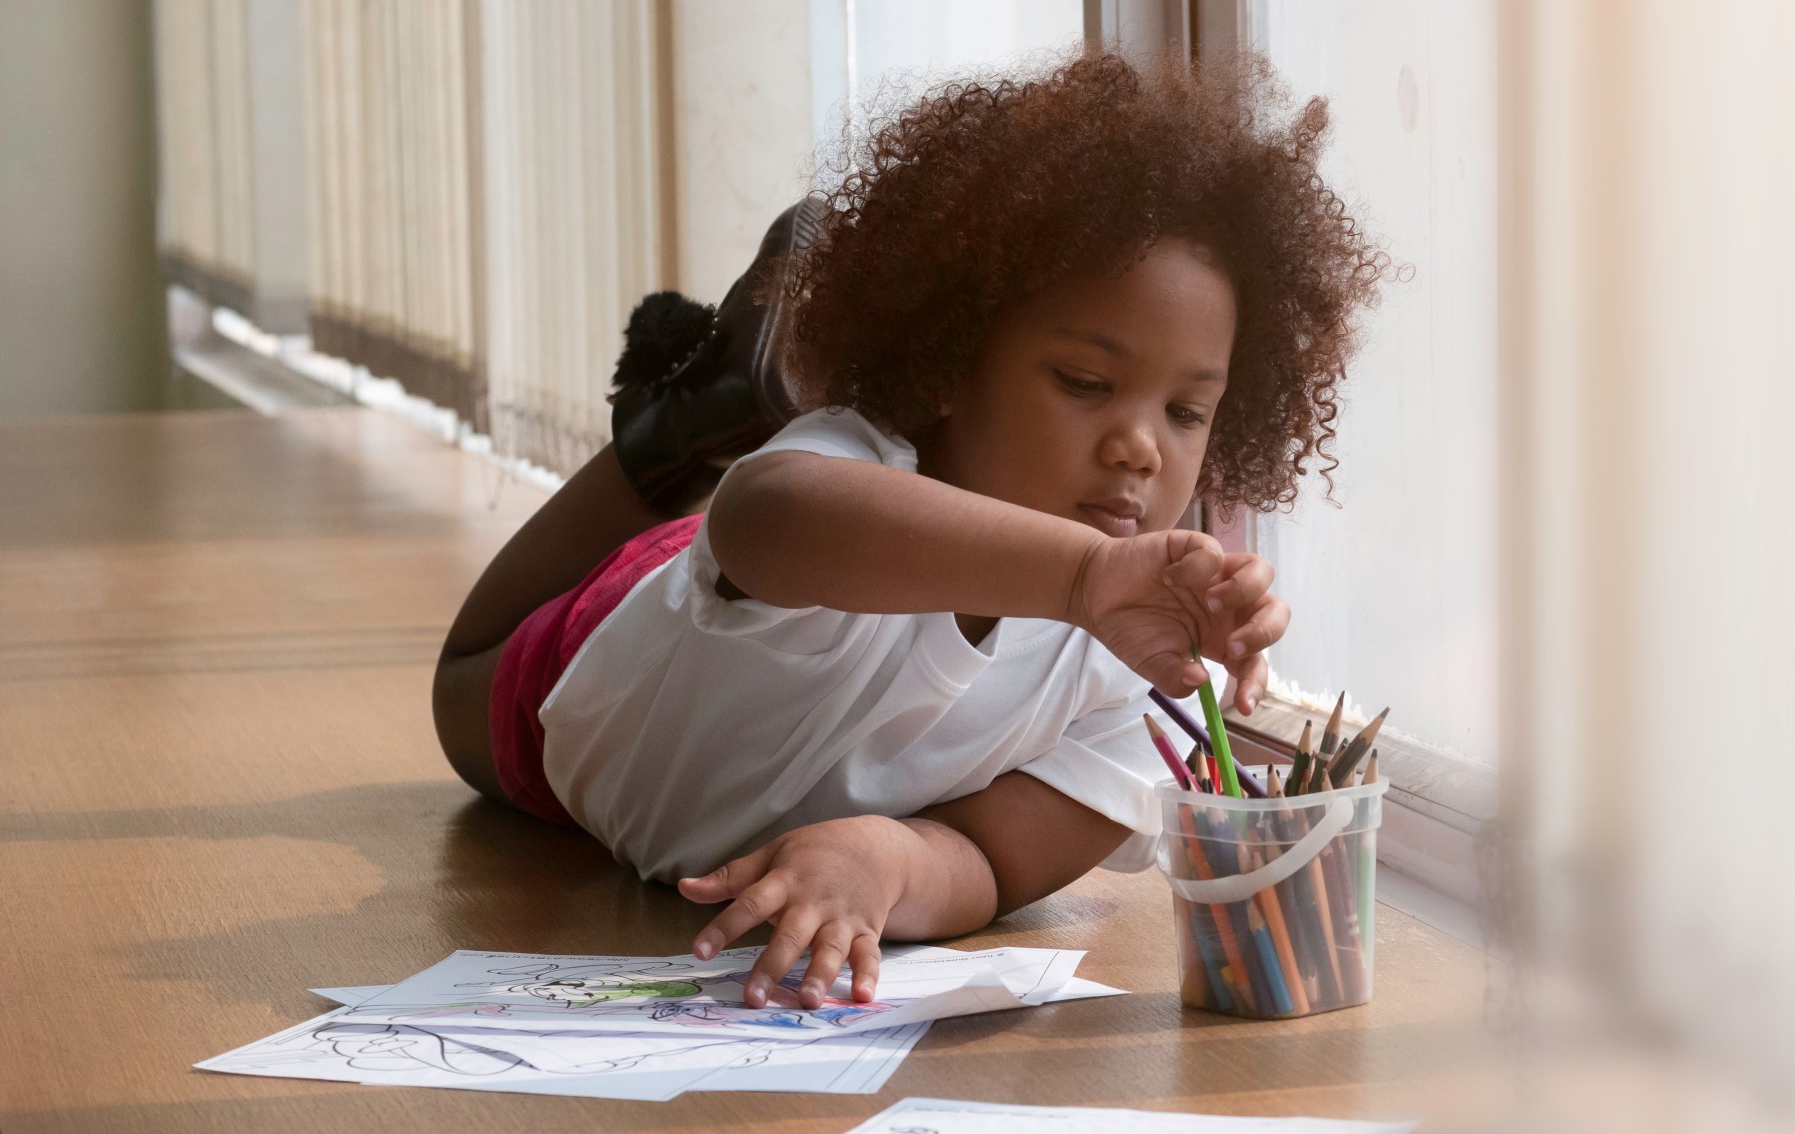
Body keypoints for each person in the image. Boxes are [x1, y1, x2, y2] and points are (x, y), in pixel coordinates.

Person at [430, 50, 1385, 1012]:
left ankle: (721, 413)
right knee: (460, 688)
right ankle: (680, 432)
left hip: (776, 631)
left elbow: (998, 857)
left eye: (1186, 412)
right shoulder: (846, 475)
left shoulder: (1165, 679)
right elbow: (770, 520)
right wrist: (1084, 576)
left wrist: (886, 856)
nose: (1140, 446)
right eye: (1087, 385)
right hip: (662, 635)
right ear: (949, 363)